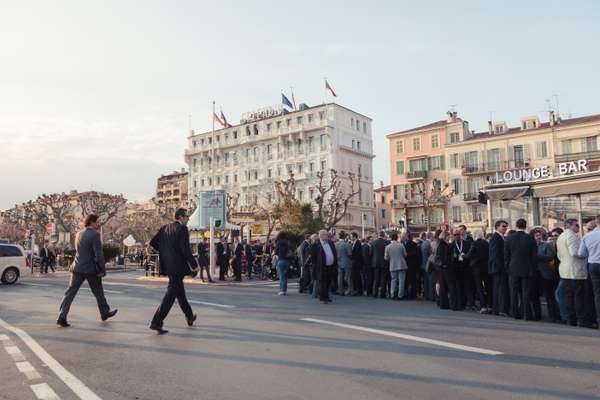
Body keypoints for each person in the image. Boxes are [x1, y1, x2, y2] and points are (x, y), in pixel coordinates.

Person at [57, 214, 118, 327]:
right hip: (91, 269)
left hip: (77, 267)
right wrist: (102, 269)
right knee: (98, 292)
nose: (98, 224)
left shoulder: (78, 234)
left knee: (70, 293)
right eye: (97, 222)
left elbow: (78, 250)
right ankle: (104, 312)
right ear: (92, 222)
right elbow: (98, 254)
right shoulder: (95, 235)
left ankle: (62, 316)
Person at [149, 208, 199, 334]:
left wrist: (158, 251)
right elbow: (185, 249)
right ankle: (156, 322)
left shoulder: (164, 228)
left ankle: (189, 316)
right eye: (187, 217)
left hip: (168, 266)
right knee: (170, 295)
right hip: (178, 267)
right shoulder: (182, 229)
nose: (188, 219)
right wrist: (194, 265)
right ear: (181, 217)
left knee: (180, 293)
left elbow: (153, 243)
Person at [556, 219, 591, 327]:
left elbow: (559, 254)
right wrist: (586, 254)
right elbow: (575, 253)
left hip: (565, 270)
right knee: (579, 296)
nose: (578, 227)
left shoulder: (561, 236)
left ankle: (571, 319)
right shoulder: (571, 236)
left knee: (568, 296)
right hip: (575, 271)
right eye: (576, 225)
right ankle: (582, 320)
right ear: (570, 225)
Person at [504, 219, 537, 320]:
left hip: (513, 269)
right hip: (527, 269)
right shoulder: (530, 239)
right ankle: (526, 314)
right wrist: (533, 269)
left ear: (515, 226)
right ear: (525, 226)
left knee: (513, 292)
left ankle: (514, 313)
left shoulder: (509, 239)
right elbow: (534, 257)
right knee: (525, 293)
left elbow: (506, 255)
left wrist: (507, 267)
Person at [578, 216, 600, 328]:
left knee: (597, 294)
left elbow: (581, 254)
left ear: (596, 222)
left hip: (593, 265)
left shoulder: (587, 236)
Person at [534, 230, 560, 322]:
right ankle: (537, 315)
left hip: (545, 273)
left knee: (549, 295)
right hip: (534, 274)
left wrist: (538, 256)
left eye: (539, 235)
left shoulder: (546, 245)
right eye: (536, 235)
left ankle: (553, 316)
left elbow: (551, 256)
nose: (538, 237)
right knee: (535, 295)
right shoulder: (530, 246)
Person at [464, 231, 490, 313]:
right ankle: (489, 304)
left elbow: (469, 255)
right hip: (486, 267)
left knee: (479, 287)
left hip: (476, 268)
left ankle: (483, 306)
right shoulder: (486, 243)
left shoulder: (474, 244)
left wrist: (463, 255)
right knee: (487, 286)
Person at [489, 220, 510, 317]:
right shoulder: (496, 237)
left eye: (506, 226)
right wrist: (500, 267)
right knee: (500, 289)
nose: (505, 228)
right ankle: (500, 309)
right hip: (498, 268)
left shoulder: (500, 237)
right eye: (503, 226)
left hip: (498, 267)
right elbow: (495, 254)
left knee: (499, 289)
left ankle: (498, 309)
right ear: (497, 227)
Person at [312, 229, 338, 303]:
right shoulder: (316, 245)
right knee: (323, 283)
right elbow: (313, 258)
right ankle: (323, 298)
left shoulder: (330, 243)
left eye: (327, 234)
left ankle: (326, 296)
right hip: (321, 267)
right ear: (321, 236)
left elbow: (334, 253)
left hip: (331, 266)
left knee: (328, 282)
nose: (327, 236)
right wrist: (315, 267)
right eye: (326, 234)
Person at [385, 232, 408, 300]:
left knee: (393, 280)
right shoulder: (401, 245)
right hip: (402, 265)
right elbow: (405, 255)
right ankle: (400, 295)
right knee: (401, 280)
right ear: (397, 238)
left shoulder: (387, 247)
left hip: (392, 265)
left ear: (391, 238)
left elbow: (386, 258)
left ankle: (392, 294)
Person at [433, 230, 451, 309]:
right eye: (448, 236)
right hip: (442, 267)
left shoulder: (437, 243)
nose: (449, 238)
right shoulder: (443, 244)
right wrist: (445, 263)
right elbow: (444, 256)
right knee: (443, 286)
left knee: (440, 285)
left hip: (438, 266)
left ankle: (440, 302)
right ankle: (443, 303)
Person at [372, 231, 390, 298]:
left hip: (376, 263)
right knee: (383, 279)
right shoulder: (387, 242)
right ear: (384, 235)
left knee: (376, 279)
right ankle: (382, 293)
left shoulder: (373, 242)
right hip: (384, 263)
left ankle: (375, 293)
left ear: (378, 235)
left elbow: (371, 253)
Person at [403, 232, 421, 299]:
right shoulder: (415, 245)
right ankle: (414, 294)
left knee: (407, 280)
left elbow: (404, 255)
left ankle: (407, 294)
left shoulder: (405, 245)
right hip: (414, 265)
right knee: (413, 280)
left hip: (407, 264)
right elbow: (418, 255)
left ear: (407, 237)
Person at [419, 232, 433, 300]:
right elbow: (431, 255)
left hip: (423, 264)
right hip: (428, 265)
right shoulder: (429, 244)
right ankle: (430, 295)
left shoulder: (423, 243)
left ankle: (426, 295)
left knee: (426, 281)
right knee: (430, 281)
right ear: (430, 236)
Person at [350, 232, 363, 296]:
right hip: (355, 263)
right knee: (355, 277)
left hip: (357, 263)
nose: (350, 237)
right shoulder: (354, 243)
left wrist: (352, 256)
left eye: (351, 236)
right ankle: (357, 289)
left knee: (357, 277)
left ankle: (359, 290)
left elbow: (357, 253)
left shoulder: (358, 243)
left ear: (354, 237)